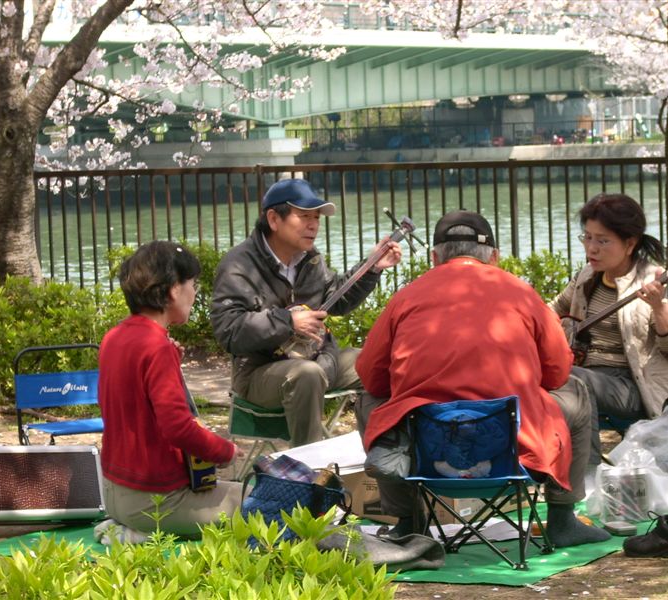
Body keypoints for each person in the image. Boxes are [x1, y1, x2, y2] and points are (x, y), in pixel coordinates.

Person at [355, 209, 610, 547]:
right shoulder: (521, 292)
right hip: (513, 450)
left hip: (425, 455)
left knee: (369, 400)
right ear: (495, 257)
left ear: (434, 258)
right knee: (575, 389)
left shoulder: (405, 298)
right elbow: (557, 372)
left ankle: (407, 521)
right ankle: (562, 517)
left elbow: (371, 378)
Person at [210, 178, 402, 447]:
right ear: (274, 219)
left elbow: (336, 299)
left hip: (321, 358)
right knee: (306, 374)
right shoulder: (239, 265)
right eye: (303, 216)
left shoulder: (310, 258)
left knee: (381, 363)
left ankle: (380, 456)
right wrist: (288, 322)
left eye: (316, 217)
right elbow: (228, 331)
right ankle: (308, 474)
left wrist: (371, 267)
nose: (313, 224)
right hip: (259, 373)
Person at [99, 241, 244, 537]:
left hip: (114, 493)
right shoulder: (156, 346)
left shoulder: (114, 337)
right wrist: (225, 450)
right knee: (263, 506)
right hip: (154, 501)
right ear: (174, 290)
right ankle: (137, 535)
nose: (194, 292)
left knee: (240, 495)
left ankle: (128, 529)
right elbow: (177, 427)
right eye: (192, 283)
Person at [549, 193, 668, 466]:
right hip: (587, 377)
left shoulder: (656, 280)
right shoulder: (584, 278)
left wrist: (660, 308)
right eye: (587, 237)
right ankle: (554, 469)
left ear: (630, 244)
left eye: (602, 241)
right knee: (557, 379)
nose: (591, 249)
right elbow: (550, 311)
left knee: (573, 380)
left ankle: (585, 474)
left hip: (637, 384)